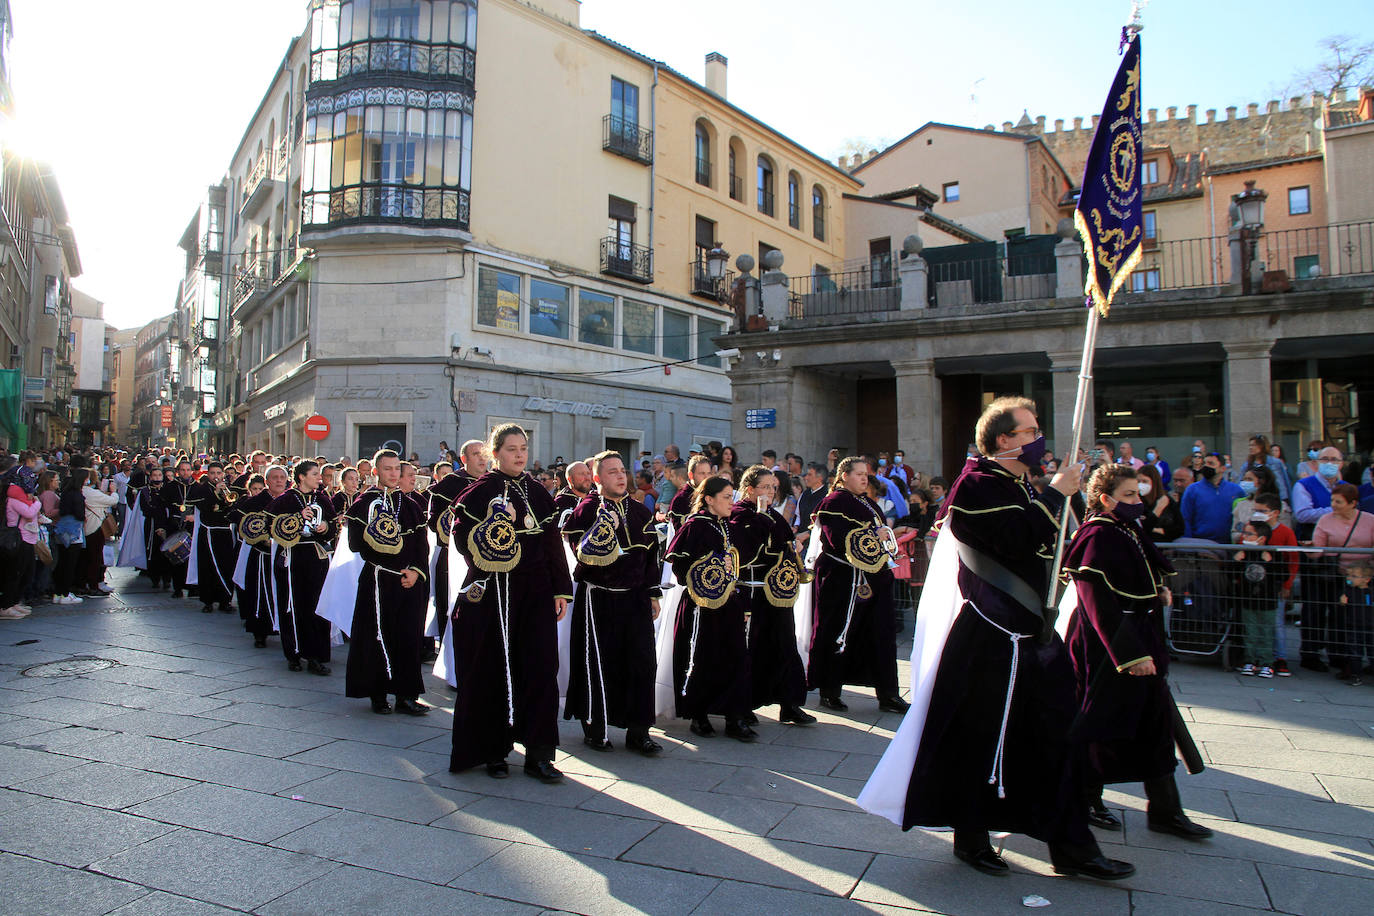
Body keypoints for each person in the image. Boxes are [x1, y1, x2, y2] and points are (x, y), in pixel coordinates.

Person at [857, 396, 1134, 882]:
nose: (1037, 439)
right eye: (1029, 432)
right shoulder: (976, 485)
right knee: (977, 741)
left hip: (1027, 638)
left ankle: (1071, 846)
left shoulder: (1019, 484)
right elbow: (1010, 538)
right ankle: (974, 834)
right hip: (990, 638)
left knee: (1054, 738)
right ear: (1004, 440)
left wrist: (1057, 496)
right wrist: (1054, 494)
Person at [1063, 465, 1212, 840]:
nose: (1137, 502)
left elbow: (1140, 570)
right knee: (1100, 724)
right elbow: (1095, 598)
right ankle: (1086, 800)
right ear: (1106, 499)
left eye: (1137, 493)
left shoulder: (1125, 529)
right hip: (1107, 646)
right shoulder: (1096, 534)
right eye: (1129, 495)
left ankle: (1165, 810)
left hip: (1140, 636)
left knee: (1155, 724)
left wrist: (1157, 589)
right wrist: (1128, 654)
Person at [448, 425, 572, 781]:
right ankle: (493, 750)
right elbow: (462, 542)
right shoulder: (479, 492)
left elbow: (553, 545)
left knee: (539, 668)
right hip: (493, 591)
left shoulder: (539, 492)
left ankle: (539, 754)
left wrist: (560, 590)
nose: (519, 454)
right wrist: (494, 528)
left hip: (535, 592)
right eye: (512, 448)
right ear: (495, 452)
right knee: (491, 669)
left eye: (524, 448)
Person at [562, 450, 664, 754]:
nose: (620, 476)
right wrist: (603, 526)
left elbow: (650, 558)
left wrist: (653, 593)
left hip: (635, 599)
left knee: (642, 664)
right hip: (599, 599)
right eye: (612, 472)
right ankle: (596, 728)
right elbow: (579, 553)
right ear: (597, 478)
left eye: (622, 471)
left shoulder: (641, 511)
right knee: (599, 664)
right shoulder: (585, 511)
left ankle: (638, 731)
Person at [808, 457, 907, 714]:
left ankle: (888, 693)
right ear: (844, 476)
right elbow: (836, 539)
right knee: (838, 632)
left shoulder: (868, 502)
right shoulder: (833, 503)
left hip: (874, 579)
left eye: (866, 474)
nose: (865, 478)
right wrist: (874, 536)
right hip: (843, 580)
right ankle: (830, 691)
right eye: (859, 474)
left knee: (881, 634)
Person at [665, 475, 756, 740]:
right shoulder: (695, 526)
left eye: (732, 497)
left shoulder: (727, 526)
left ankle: (734, 716)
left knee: (735, 657)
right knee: (701, 657)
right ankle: (698, 714)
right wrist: (714, 567)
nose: (732, 503)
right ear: (709, 500)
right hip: (700, 606)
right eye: (727, 497)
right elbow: (681, 570)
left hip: (729, 604)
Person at [343, 450, 431, 714]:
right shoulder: (363, 503)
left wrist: (415, 571)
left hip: (408, 581)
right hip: (378, 578)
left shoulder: (412, 505)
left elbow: (420, 546)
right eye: (387, 469)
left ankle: (406, 696)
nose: (393, 474)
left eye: (396, 469)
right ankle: (377, 693)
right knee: (376, 636)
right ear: (375, 472)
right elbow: (355, 544)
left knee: (408, 637)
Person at [731, 466, 814, 726]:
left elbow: (785, 540)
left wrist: (794, 546)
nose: (771, 492)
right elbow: (744, 552)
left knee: (785, 646)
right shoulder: (738, 515)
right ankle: (744, 705)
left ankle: (790, 704)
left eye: (773, 487)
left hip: (778, 593)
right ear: (749, 489)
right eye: (765, 487)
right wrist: (762, 520)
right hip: (753, 593)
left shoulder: (773, 516)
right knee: (751, 650)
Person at [268, 460, 337, 675]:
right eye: (315, 474)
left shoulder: (323, 499)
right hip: (292, 557)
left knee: (316, 606)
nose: (319, 478)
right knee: (292, 605)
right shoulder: (286, 499)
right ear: (301, 477)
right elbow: (272, 527)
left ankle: (316, 655)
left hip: (316, 558)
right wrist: (298, 519)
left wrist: (326, 526)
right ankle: (294, 653)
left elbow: (333, 527)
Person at [1293, 445, 1347, 670]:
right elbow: (1303, 514)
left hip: (1341, 554)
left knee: (1339, 605)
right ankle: (1311, 653)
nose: (1329, 462)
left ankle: (1338, 652)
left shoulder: (1346, 488)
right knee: (1314, 603)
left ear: (1341, 463)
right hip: (1314, 552)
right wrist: (1334, 512)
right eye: (1325, 458)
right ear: (1316, 462)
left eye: (1334, 459)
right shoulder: (1304, 485)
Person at [1314, 483, 1374, 682]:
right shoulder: (1325, 520)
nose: (1333, 505)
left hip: (1365, 578)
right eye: (1332, 500)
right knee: (1340, 618)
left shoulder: (1369, 520)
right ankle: (1343, 660)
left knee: (1367, 618)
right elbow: (1318, 548)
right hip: (1337, 576)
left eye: (1338, 502)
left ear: (1353, 503)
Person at [232, 468, 283, 648]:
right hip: (261, 554)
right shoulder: (256, 501)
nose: (279, 481)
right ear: (267, 481)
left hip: (282, 555)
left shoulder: (290, 499)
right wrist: (259, 535)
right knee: (260, 593)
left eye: (282, 477)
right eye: (275, 478)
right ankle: (259, 632)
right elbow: (238, 518)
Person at [187, 462, 238, 614]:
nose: (216, 476)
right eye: (213, 473)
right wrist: (215, 493)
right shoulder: (201, 488)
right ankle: (207, 601)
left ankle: (225, 600)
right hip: (208, 531)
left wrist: (224, 497)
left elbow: (232, 506)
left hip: (225, 531)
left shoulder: (228, 488)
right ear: (208, 474)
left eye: (218, 473)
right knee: (208, 566)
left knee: (226, 566)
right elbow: (203, 507)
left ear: (222, 474)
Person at [1, 461, 40, 619]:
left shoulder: (22, 497)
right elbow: (29, 512)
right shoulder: (14, 498)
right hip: (19, 539)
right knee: (14, 574)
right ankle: (6, 605)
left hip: (27, 538)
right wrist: (38, 503)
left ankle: (14, 602)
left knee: (25, 573)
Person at [1180, 453, 1244, 541]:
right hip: (1200, 544)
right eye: (1205, 463)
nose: (1206, 466)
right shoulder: (1192, 490)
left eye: (1211, 463)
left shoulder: (1236, 490)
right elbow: (1185, 518)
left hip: (1228, 545)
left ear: (1223, 468)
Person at [159, 459, 198, 598]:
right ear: (178, 472)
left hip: (191, 526)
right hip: (175, 525)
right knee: (176, 559)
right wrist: (162, 526)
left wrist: (194, 517)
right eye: (182, 470)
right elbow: (162, 507)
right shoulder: (170, 487)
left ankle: (192, 587)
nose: (185, 473)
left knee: (191, 558)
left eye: (188, 470)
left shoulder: (197, 487)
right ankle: (178, 588)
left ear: (191, 471)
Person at [51, 472, 87, 606]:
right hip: (74, 531)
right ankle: (65, 593)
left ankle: (58, 592)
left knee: (61, 563)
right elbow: (79, 514)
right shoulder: (77, 496)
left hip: (62, 529)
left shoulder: (65, 494)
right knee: (70, 564)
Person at [81, 468, 118, 596]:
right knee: (95, 557)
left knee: (88, 557)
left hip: (85, 528)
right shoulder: (90, 493)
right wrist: (114, 492)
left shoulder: (80, 491)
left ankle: (89, 582)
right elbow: (113, 501)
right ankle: (94, 584)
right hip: (94, 527)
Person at [1230, 465, 1289, 542]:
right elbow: (1234, 533)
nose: (1245, 482)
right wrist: (1247, 536)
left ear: (1262, 481)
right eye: (1244, 479)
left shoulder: (1281, 506)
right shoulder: (1241, 505)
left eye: (1249, 479)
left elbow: (1285, 532)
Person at [1137, 464, 1183, 543]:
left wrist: (1156, 529)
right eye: (1138, 481)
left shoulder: (1166, 500)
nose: (1141, 484)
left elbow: (1180, 528)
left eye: (1145, 481)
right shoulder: (1136, 501)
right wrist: (1157, 510)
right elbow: (1141, 529)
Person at [1240, 435, 1291, 504]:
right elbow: (1241, 482)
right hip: (1254, 499)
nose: (1251, 448)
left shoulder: (1275, 462)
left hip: (1274, 498)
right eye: (1250, 445)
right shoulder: (1247, 465)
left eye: (1254, 445)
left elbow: (1283, 483)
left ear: (1262, 446)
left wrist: (1284, 500)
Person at [666, 455, 711, 528]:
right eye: (702, 473)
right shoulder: (680, 499)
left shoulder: (713, 494)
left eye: (709, 473)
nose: (706, 477)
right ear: (691, 475)